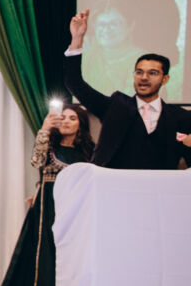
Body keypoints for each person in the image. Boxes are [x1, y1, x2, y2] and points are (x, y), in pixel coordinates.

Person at [0, 103, 94, 286]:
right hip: (45, 213)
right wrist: (45, 129)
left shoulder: (88, 154)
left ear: (81, 124)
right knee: (42, 258)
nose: (66, 121)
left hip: (74, 213)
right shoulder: (49, 147)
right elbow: (36, 162)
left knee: (68, 261)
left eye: (72, 118)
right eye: (63, 117)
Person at [65, 10, 191, 170]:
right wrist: (77, 39)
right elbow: (74, 83)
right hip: (113, 183)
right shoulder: (115, 106)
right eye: (139, 72)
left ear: (165, 79)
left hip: (160, 185)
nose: (144, 77)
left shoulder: (181, 117)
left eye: (152, 73)